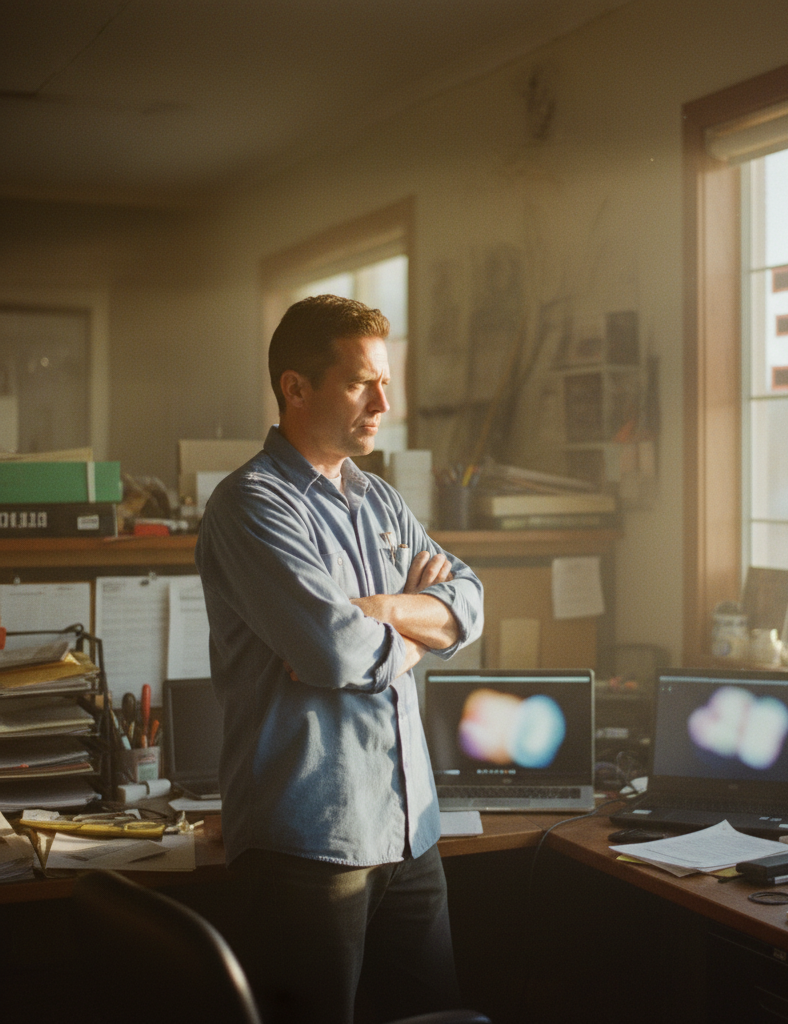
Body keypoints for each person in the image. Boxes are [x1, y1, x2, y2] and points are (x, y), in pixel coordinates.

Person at [194, 294, 484, 1024]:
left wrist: (379, 613)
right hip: (309, 846)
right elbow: (330, 649)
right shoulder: (250, 505)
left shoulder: (381, 501)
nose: (385, 402)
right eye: (362, 382)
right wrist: (415, 630)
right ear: (296, 388)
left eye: (386, 381)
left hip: (411, 831)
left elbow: (471, 600)